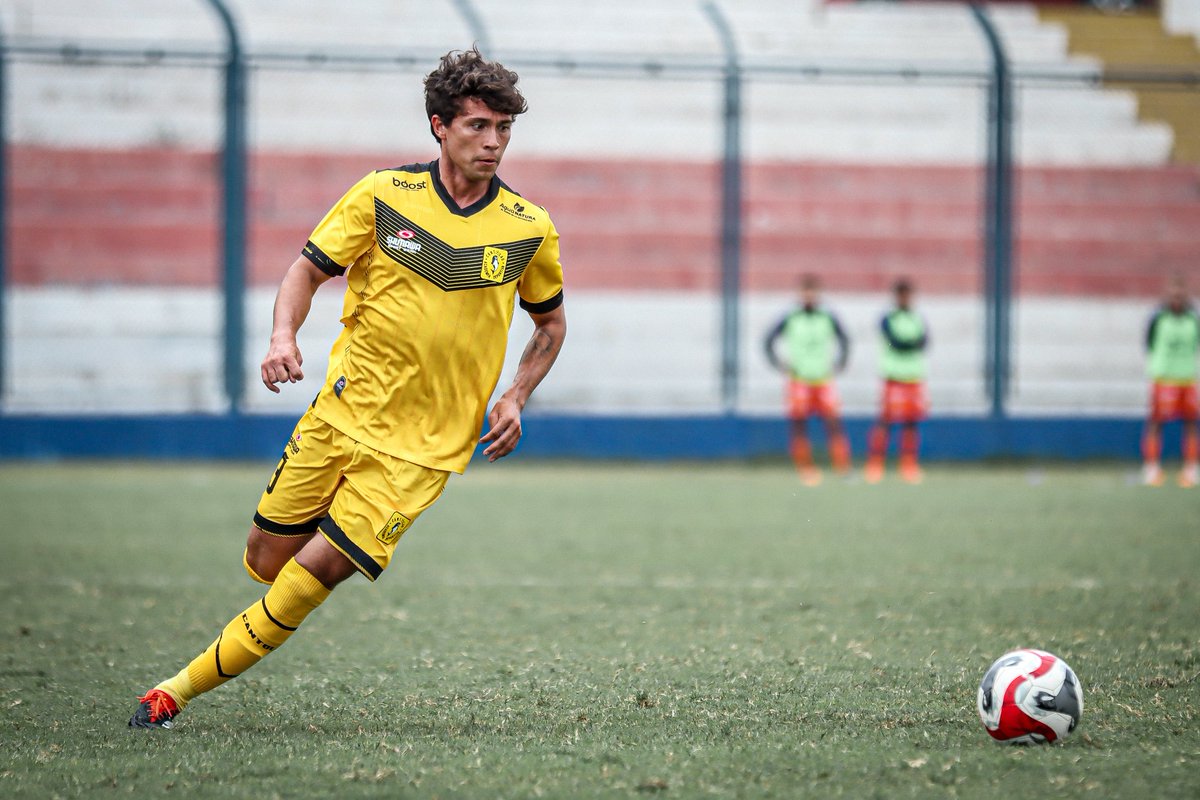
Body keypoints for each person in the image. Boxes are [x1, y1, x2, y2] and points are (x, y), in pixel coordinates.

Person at [129, 48, 567, 729]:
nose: (493, 141)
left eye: (504, 128)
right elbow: (305, 273)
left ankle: (173, 691)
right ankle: (280, 593)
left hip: (424, 450)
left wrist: (515, 395)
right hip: (341, 414)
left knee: (318, 572)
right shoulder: (384, 196)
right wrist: (282, 337)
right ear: (439, 126)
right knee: (266, 558)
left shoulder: (529, 227)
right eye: (479, 125)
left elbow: (550, 326)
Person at [764, 274, 852, 486]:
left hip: (823, 380)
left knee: (834, 424)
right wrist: (779, 364)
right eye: (806, 292)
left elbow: (844, 339)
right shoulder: (790, 317)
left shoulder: (828, 317)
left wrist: (841, 362)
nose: (809, 296)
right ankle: (806, 469)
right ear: (800, 294)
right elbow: (768, 341)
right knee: (799, 426)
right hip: (799, 380)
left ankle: (843, 469)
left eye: (813, 292)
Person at [864, 278, 928, 484]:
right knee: (886, 421)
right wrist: (911, 343)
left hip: (913, 376)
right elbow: (896, 342)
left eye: (908, 294)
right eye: (901, 294)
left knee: (911, 423)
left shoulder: (918, 318)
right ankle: (875, 464)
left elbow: (925, 342)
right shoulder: (887, 318)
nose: (905, 298)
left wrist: (910, 343)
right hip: (893, 377)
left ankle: (909, 465)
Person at [1141, 275, 1199, 488]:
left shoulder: (1193, 318)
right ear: (1168, 295)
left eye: (1180, 294)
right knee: (1156, 422)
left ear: (1185, 296)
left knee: (1191, 423)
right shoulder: (1158, 318)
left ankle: (1191, 469)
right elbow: (1148, 343)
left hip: (1186, 378)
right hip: (1164, 378)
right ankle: (1151, 468)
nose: (1177, 299)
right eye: (1173, 294)